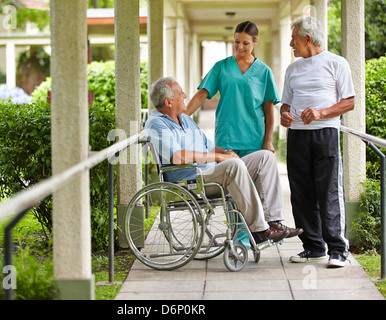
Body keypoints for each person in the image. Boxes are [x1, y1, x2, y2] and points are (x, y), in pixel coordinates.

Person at [145, 76, 302, 245]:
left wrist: (226, 152)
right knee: (232, 165)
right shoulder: (156, 124)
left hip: (212, 174)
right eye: (180, 93)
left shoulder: (185, 119)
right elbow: (177, 157)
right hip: (191, 181)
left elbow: (210, 148)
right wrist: (221, 157)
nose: (185, 95)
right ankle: (259, 231)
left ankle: (273, 222)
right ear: (168, 102)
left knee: (266, 157)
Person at [280, 16, 355, 268]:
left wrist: (321, 112)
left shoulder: (337, 63)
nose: (292, 43)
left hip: (326, 134)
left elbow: (349, 102)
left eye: (294, 38)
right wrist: (285, 115)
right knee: (301, 192)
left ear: (307, 39)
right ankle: (313, 248)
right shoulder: (292, 69)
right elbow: (286, 104)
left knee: (328, 191)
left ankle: (337, 250)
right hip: (297, 136)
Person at [186, 21, 280, 157]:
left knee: (251, 178)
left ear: (255, 42)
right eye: (237, 42)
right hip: (226, 138)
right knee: (227, 176)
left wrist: (268, 141)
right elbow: (202, 94)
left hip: (254, 139)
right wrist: (181, 118)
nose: (240, 47)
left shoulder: (264, 71)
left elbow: (269, 110)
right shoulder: (221, 67)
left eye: (245, 43)